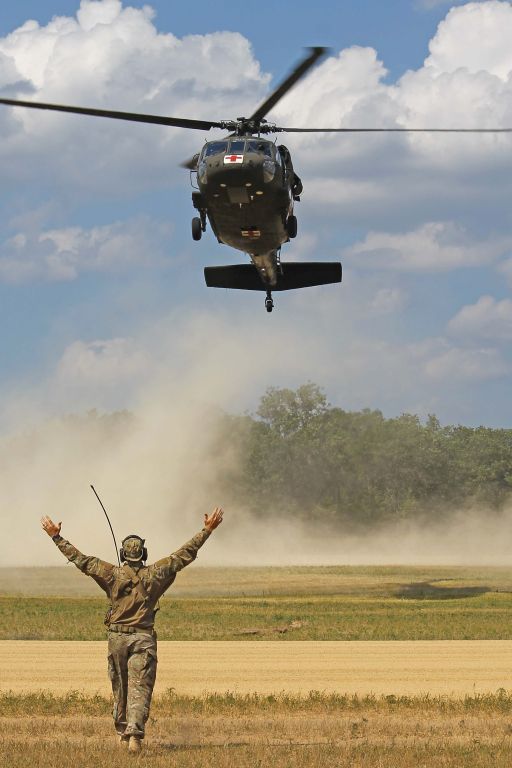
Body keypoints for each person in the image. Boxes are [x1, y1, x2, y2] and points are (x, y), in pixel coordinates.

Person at [41, 507, 224, 753]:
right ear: (143, 554)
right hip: (143, 638)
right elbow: (185, 554)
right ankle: (135, 736)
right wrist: (207, 530)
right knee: (140, 687)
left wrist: (56, 537)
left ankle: (122, 734)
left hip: (117, 638)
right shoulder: (156, 573)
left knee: (120, 688)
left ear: (123, 554)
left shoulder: (111, 574)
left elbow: (82, 561)